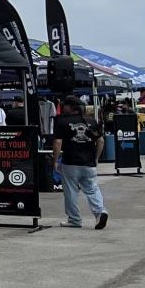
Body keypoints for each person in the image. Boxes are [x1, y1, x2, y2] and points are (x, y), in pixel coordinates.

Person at [52, 96, 108, 229]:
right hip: (89, 162)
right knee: (92, 188)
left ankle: (74, 219)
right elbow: (100, 141)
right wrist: (96, 158)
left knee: (70, 190)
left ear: (70, 107)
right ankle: (100, 212)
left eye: (64, 105)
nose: (63, 108)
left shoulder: (62, 121)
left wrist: (55, 160)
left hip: (70, 161)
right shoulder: (91, 120)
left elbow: (58, 142)